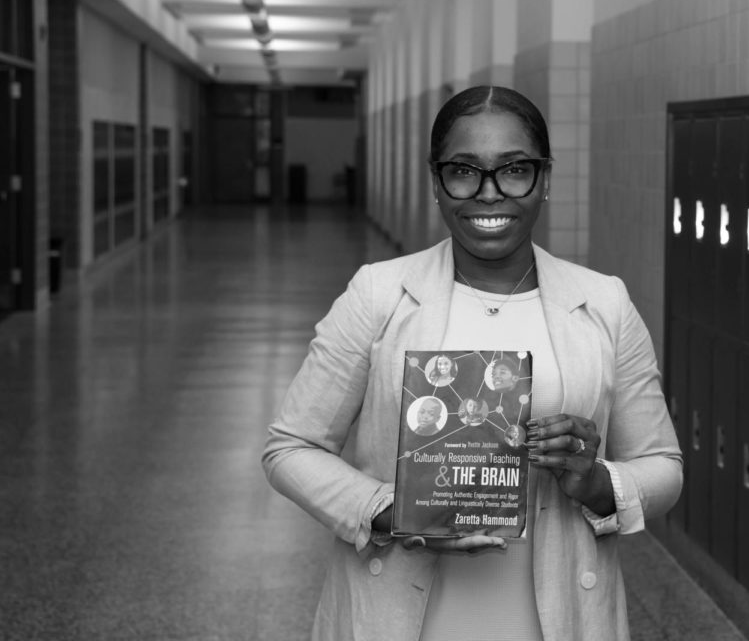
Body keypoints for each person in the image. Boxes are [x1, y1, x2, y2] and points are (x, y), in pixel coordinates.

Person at [262, 85, 682, 641]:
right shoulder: (379, 296)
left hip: (554, 619)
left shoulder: (603, 303)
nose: (489, 194)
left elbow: (664, 465)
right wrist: (392, 510)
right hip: (401, 615)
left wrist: (600, 483)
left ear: (546, 178)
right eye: (464, 171)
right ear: (437, 181)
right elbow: (290, 447)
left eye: (514, 170)